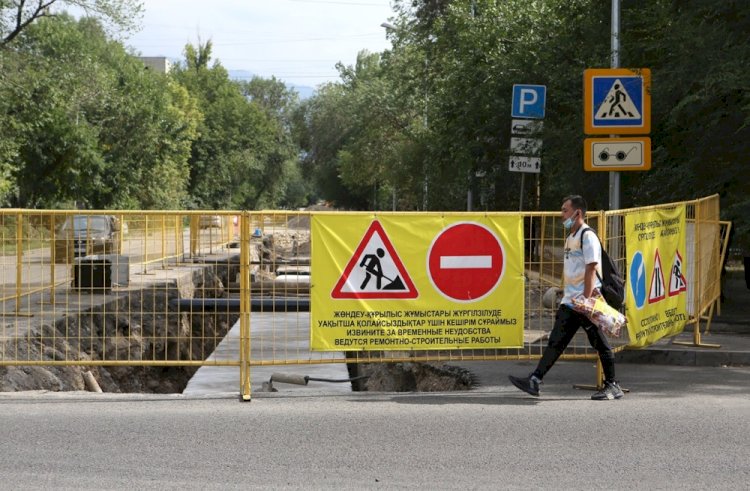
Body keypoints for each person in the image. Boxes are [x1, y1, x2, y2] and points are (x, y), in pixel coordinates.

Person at [509, 195, 624, 400]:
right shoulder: (571, 237)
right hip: (571, 302)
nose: (562, 215)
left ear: (577, 213)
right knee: (556, 341)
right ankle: (535, 380)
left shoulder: (587, 236)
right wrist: (567, 294)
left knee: (600, 343)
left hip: (584, 302)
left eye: (565, 211)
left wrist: (587, 301)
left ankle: (613, 385)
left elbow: (591, 268)